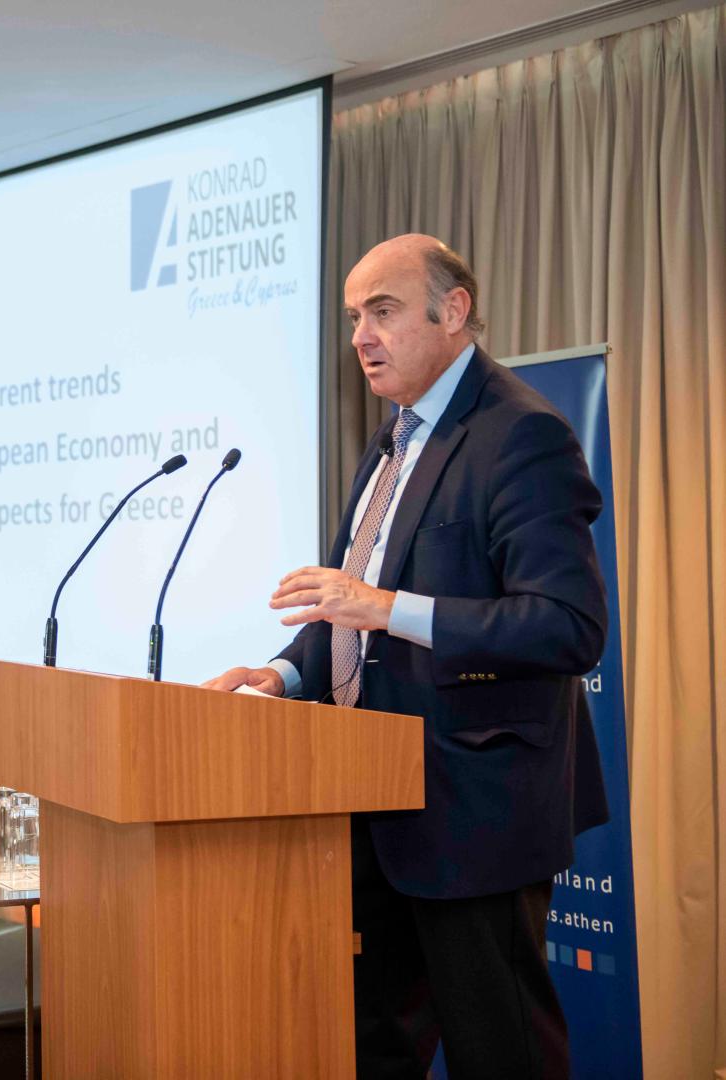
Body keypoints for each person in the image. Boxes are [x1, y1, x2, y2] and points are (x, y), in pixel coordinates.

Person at [205, 234, 608, 1079]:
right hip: (369, 801)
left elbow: (566, 625)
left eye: (382, 311)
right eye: (355, 316)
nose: (361, 336)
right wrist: (283, 674)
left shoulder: (521, 434)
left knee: (501, 1055)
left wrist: (386, 608)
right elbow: (351, 603)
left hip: (476, 810)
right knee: (370, 1046)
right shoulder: (394, 437)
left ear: (452, 310)